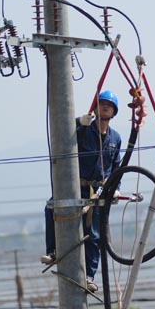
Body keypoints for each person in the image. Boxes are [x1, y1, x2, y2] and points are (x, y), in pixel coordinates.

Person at [43, 90, 122, 293]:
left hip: (98, 190)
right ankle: (53, 251)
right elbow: (64, 137)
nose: (105, 107)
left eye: (109, 105)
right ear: (95, 108)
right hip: (75, 185)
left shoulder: (115, 138)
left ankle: (88, 276)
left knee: (94, 235)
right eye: (101, 104)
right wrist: (79, 122)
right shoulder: (84, 130)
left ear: (114, 112)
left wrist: (115, 189)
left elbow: (116, 166)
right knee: (52, 208)